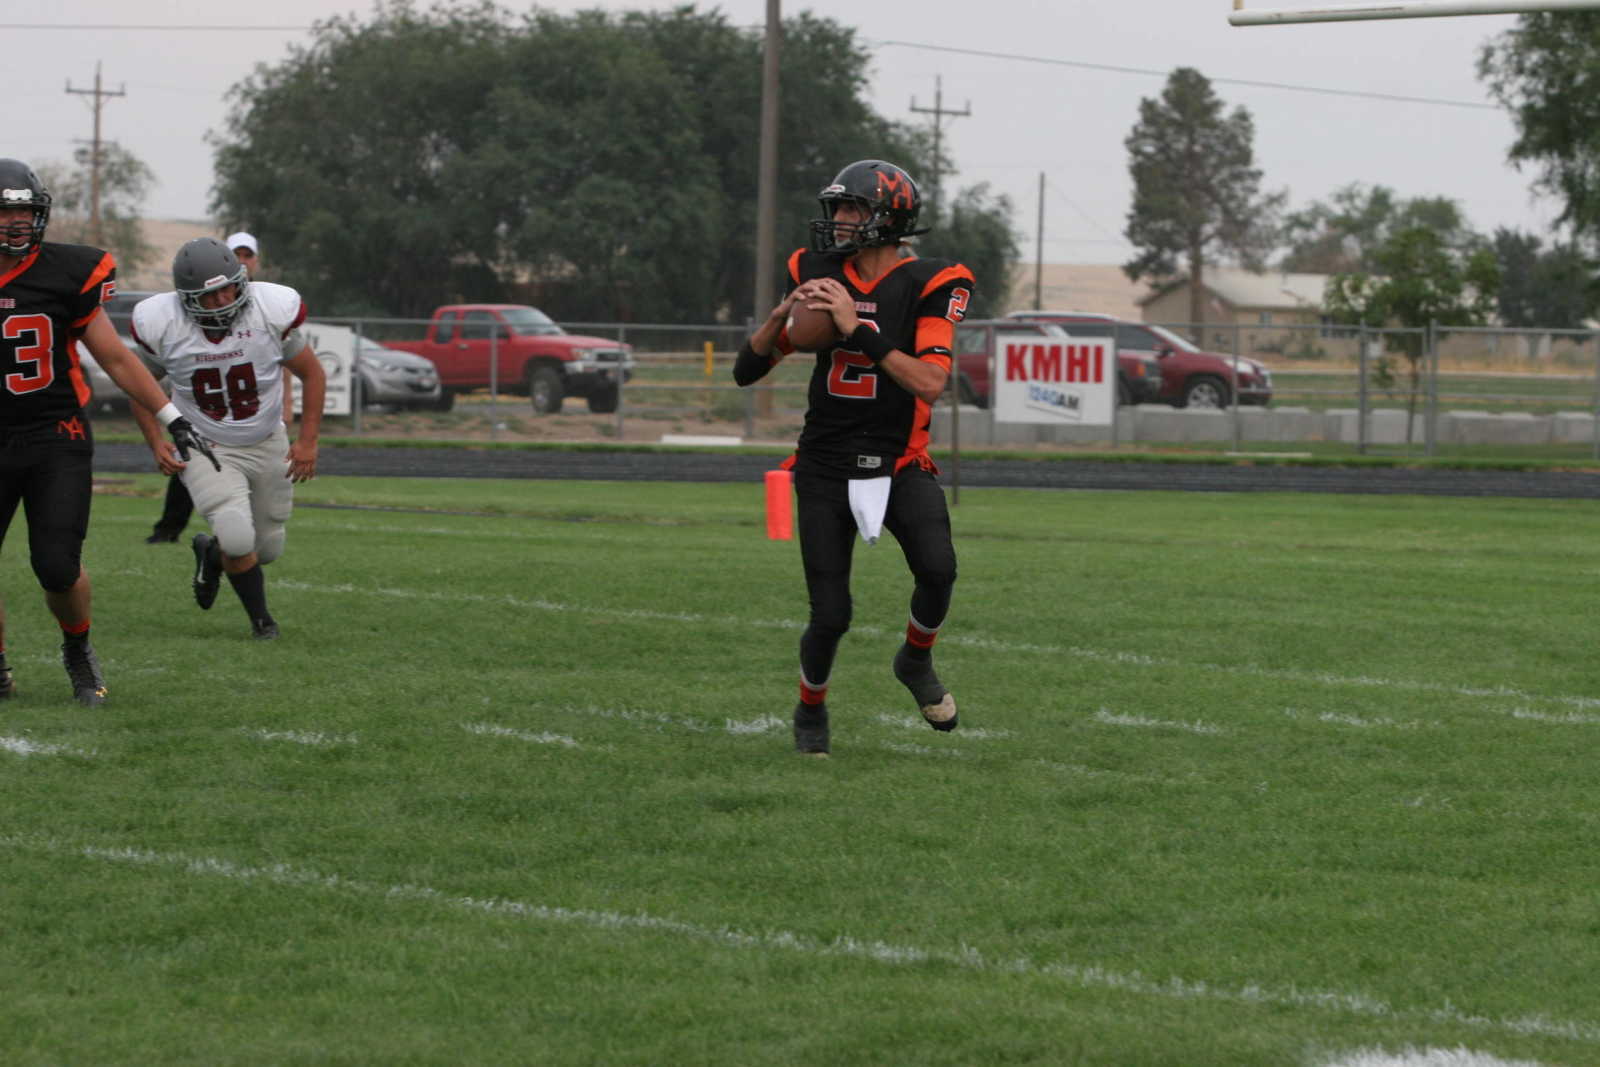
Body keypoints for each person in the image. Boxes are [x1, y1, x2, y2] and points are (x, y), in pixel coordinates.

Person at [733, 159, 975, 755]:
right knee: (831, 613)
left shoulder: (933, 281)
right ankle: (810, 707)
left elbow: (929, 383)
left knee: (938, 570)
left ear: (889, 219)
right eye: (837, 207)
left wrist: (856, 325)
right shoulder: (814, 270)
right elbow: (748, 371)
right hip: (824, 462)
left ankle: (914, 660)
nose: (839, 218)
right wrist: (776, 321)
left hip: (899, 459)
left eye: (853, 208)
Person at [0, 158, 214, 705]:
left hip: (55, 435)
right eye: (4, 212)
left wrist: (171, 416)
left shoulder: (66, 272)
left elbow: (116, 358)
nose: (16, 222)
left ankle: (77, 648)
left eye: (24, 211)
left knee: (57, 566)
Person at [129, 237, 325, 640]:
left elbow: (313, 373)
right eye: (209, 294)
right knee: (237, 536)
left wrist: (308, 440)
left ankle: (211, 554)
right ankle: (263, 622)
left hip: (266, 438)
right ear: (186, 298)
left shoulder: (267, 312)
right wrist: (156, 440)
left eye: (228, 288)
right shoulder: (166, 325)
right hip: (205, 442)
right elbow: (137, 385)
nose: (222, 300)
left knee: (266, 549)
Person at [144, 231, 267, 543]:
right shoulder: (181, 310)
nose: (242, 260)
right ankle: (170, 529)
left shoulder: (266, 303)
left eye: (247, 255)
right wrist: (156, 436)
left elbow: (288, 360)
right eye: (236, 254)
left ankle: (234, 541)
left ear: (255, 260)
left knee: (259, 493)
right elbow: (141, 377)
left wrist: (288, 403)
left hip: (249, 412)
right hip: (201, 409)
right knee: (192, 466)